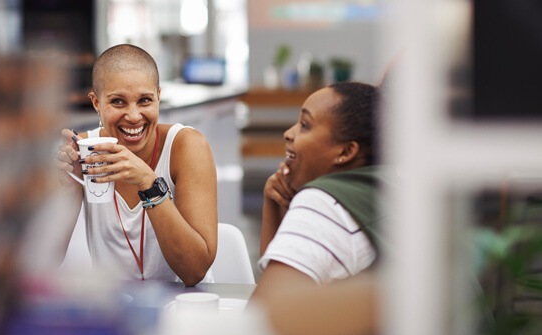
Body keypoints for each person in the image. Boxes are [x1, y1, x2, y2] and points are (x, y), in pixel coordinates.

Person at [56, 44, 217, 286]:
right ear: (96, 103)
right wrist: (67, 188)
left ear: (159, 97)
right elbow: (45, 261)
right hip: (117, 310)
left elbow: (194, 271)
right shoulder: (84, 151)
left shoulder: (186, 147)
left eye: (144, 100)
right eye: (118, 102)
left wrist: (149, 183)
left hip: (186, 305)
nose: (133, 116)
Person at [250, 81, 394, 303]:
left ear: (345, 151)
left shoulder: (324, 205)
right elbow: (276, 276)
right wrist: (273, 205)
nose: (289, 133)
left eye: (305, 125)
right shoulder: (392, 185)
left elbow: (262, 313)